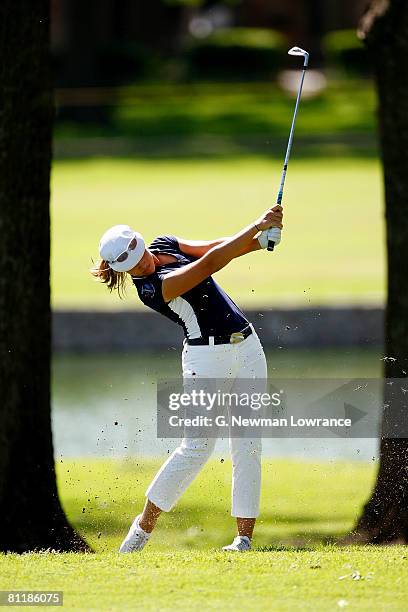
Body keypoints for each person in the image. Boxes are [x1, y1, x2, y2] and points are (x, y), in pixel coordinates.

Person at [91, 205, 283, 552]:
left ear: (139, 239)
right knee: (196, 447)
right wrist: (256, 224)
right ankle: (141, 532)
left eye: (138, 252)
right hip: (206, 358)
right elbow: (209, 264)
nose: (141, 263)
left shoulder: (164, 245)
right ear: (121, 269)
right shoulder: (150, 289)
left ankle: (243, 540)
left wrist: (259, 242)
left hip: (249, 346)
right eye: (131, 264)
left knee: (248, 443)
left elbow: (214, 246)